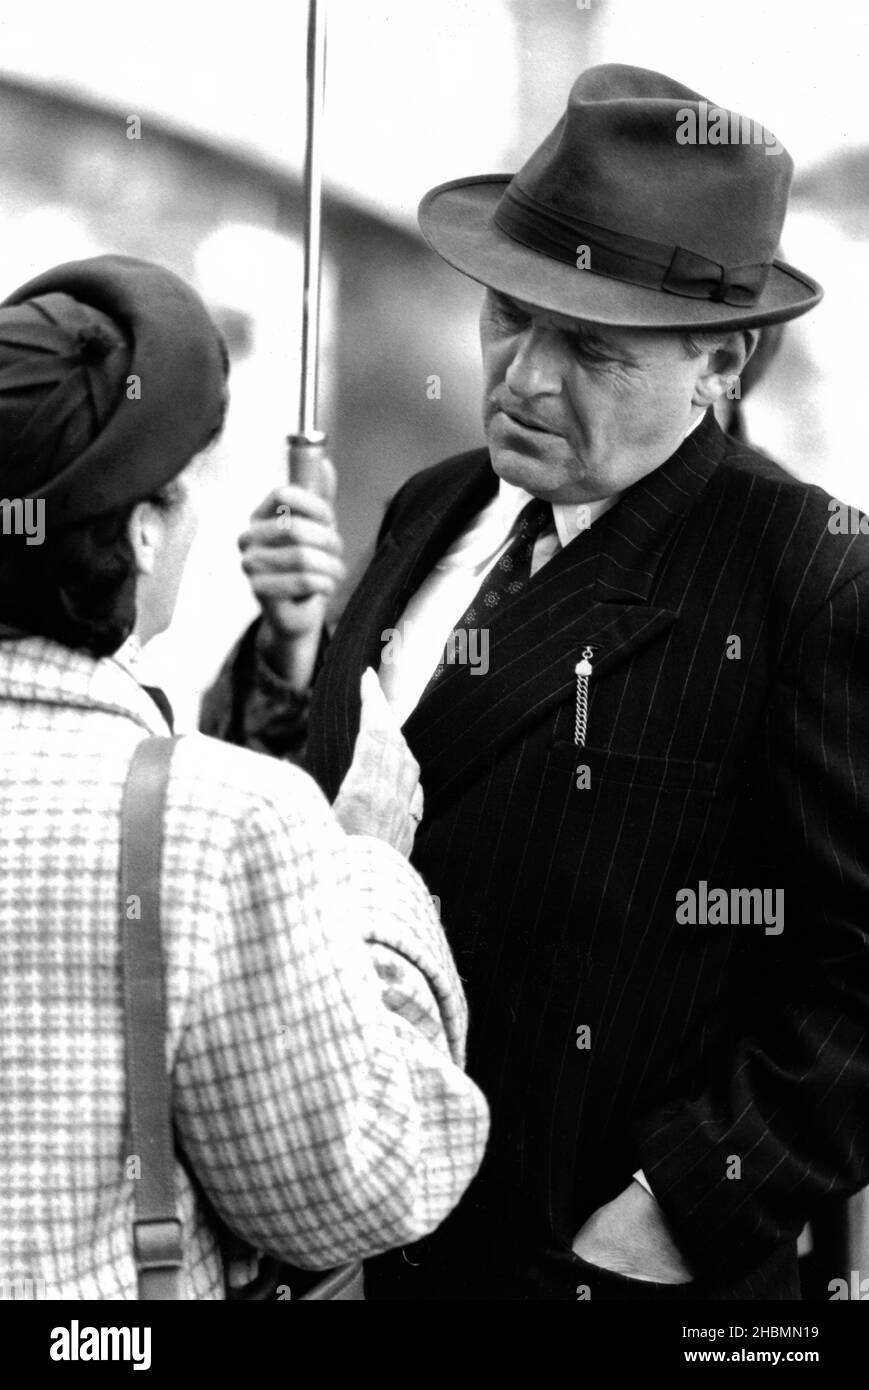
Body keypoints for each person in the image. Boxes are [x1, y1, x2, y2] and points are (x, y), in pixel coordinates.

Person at [203, 65, 869, 1300]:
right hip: (358, 1236)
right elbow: (338, 822)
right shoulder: (429, 505)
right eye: (507, 315)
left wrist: (672, 1210)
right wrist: (296, 655)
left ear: (718, 363)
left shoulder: (806, 577)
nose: (520, 377)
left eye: (589, 350)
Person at [0, 254, 488, 1300]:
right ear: (140, 529)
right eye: (185, 495)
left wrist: (290, 653)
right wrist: (365, 878)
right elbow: (363, 1183)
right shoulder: (215, 818)